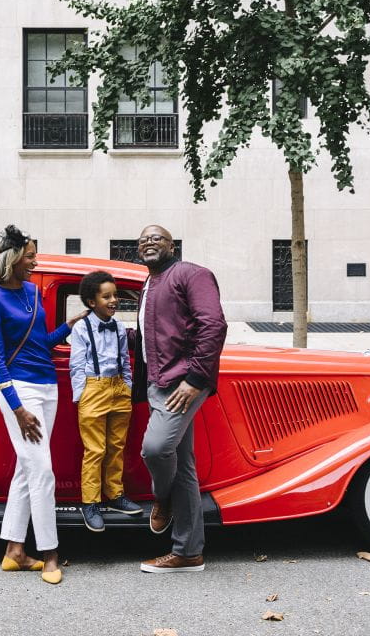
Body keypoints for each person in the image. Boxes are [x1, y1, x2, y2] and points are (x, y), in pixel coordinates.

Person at [0, 225, 88, 585]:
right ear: (12, 259)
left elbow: (40, 342)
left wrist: (69, 326)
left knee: (27, 469)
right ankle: (50, 554)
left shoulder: (31, 291)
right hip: (20, 390)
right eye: (30, 256)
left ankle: (14, 552)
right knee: (42, 471)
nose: (35, 262)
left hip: (47, 386)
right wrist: (17, 408)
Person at [134, 224, 228, 573]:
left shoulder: (192, 274)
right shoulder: (148, 283)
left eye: (156, 238)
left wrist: (195, 379)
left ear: (172, 246)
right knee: (184, 467)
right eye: (143, 239)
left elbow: (213, 325)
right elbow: (155, 332)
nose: (149, 242)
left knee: (156, 449)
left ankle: (162, 497)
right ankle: (188, 552)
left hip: (183, 382)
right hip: (157, 382)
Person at [69, 271, 142, 532]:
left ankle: (114, 494)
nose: (113, 300)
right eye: (107, 297)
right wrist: (82, 396)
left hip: (118, 388)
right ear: (92, 302)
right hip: (94, 389)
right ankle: (90, 502)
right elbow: (77, 364)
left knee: (116, 446)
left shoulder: (119, 327)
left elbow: (124, 360)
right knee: (95, 449)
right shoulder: (81, 327)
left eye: (115, 295)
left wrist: (127, 386)